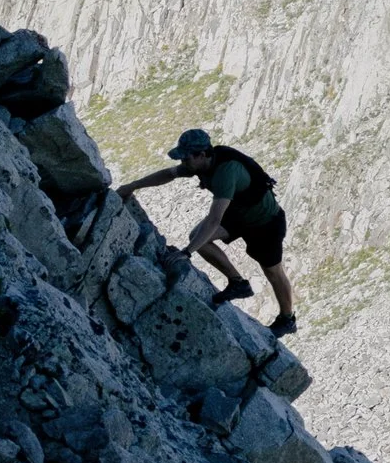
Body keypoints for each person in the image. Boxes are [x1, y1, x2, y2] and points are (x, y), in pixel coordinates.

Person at [119, 129, 298, 335]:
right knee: (199, 238)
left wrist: (186, 253)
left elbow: (214, 219)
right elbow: (168, 174)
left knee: (273, 272)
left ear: (202, 154)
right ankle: (238, 283)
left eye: (186, 158)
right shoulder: (200, 164)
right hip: (239, 215)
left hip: (265, 222)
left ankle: (287, 319)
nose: (183, 163)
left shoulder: (226, 172)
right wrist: (132, 186)